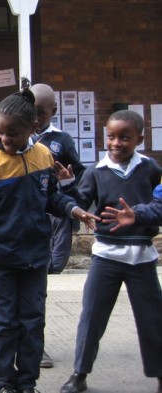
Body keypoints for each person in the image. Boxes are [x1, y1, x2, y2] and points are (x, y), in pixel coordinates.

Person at [0, 82, 98, 393]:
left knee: (32, 321)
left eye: (12, 133)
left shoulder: (44, 156)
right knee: (3, 324)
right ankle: (3, 383)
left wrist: (75, 211)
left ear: (33, 127)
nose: (5, 139)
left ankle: (27, 382)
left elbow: (53, 198)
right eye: (0, 132)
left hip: (34, 257)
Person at [59, 109, 162, 393]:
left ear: (139, 139)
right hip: (105, 256)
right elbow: (79, 204)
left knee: (153, 320)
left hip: (141, 257)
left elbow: (160, 206)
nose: (116, 143)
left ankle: (159, 373)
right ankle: (79, 373)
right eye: (112, 137)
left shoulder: (151, 169)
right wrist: (68, 185)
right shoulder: (96, 171)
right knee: (92, 316)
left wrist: (137, 215)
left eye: (125, 138)